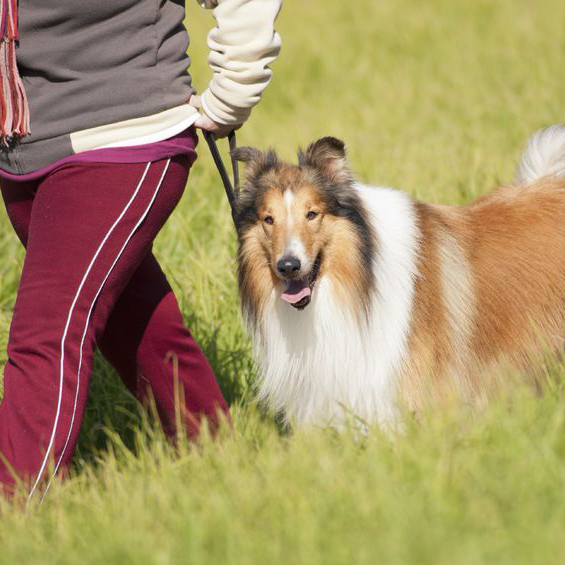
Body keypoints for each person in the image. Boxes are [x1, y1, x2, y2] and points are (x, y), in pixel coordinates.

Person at [0, 0, 281, 497]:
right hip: (23, 147)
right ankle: (220, 465)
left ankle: (15, 508)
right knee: (139, 326)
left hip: (121, 135)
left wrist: (232, 94)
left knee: (46, 333)